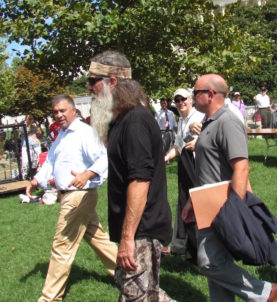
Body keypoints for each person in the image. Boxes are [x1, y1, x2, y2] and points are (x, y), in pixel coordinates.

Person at [183, 74, 277, 301]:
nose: (192, 96)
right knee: (218, 270)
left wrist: (234, 210)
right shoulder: (210, 122)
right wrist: (192, 202)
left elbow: (241, 168)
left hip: (222, 207)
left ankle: (265, 293)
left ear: (210, 95)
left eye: (195, 92)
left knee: (209, 263)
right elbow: (207, 168)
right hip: (206, 206)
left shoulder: (228, 121)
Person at [88, 50, 174, 301]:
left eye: (94, 80)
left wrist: (128, 238)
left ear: (112, 82)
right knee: (147, 294)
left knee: (134, 296)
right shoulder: (122, 121)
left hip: (142, 230)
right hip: (137, 229)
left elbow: (139, 182)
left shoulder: (135, 121)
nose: (89, 87)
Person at [26, 94, 118, 302]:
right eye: (55, 112)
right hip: (70, 196)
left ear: (74, 111)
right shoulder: (62, 134)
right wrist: (36, 180)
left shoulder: (85, 133)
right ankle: (129, 275)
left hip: (79, 196)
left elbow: (103, 158)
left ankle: (50, 297)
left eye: (62, 111)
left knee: (62, 244)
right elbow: (50, 161)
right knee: (98, 239)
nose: (58, 115)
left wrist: (87, 174)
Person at [162, 88, 204, 262]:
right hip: (184, 167)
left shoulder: (200, 117)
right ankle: (189, 249)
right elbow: (178, 146)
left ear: (191, 99)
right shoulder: (181, 121)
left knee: (199, 207)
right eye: (177, 100)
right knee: (184, 205)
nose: (180, 103)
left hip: (198, 167)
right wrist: (165, 158)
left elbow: (209, 138)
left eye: (183, 99)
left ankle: (202, 252)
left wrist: (199, 140)